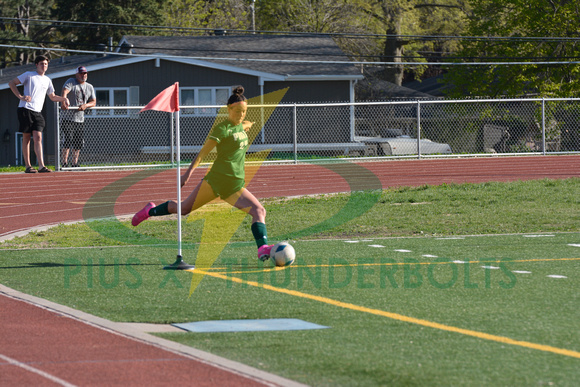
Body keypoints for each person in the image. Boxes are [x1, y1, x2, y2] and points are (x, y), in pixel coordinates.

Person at [132, 86, 274, 261]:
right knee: (184, 209)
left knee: (259, 210)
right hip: (216, 181)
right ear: (229, 110)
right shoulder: (221, 129)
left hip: (234, 184)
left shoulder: (243, 125)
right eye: (237, 111)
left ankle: (263, 249)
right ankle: (150, 211)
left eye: (244, 111)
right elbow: (202, 155)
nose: (241, 114)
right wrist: (187, 175)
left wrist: (248, 124)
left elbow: (245, 126)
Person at [9, 55, 70, 173]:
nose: (44, 66)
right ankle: (28, 166)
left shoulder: (47, 80)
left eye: (46, 64)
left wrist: (64, 99)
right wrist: (20, 96)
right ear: (36, 65)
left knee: (38, 137)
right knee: (26, 137)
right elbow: (11, 83)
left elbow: (52, 97)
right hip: (25, 109)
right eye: (42, 64)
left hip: (37, 112)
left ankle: (41, 166)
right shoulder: (29, 75)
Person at [60, 66, 96, 168]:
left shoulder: (89, 87)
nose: (83, 75)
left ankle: (74, 163)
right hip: (67, 117)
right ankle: (64, 163)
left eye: (85, 73)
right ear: (76, 74)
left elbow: (93, 102)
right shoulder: (71, 81)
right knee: (68, 139)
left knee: (78, 141)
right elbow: (64, 91)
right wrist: (64, 100)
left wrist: (86, 105)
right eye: (81, 74)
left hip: (80, 119)